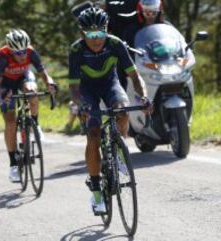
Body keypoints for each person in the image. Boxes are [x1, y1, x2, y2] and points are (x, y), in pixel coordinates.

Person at [68, 7, 151, 214]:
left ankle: (119, 150)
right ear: (82, 33)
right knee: (94, 135)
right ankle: (96, 192)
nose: (97, 39)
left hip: (110, 84)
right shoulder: (76, 50)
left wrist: (144, 97)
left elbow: (134, 76)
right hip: (87, 90)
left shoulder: (115, 44)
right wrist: (81, 105)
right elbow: (74, 87)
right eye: (91, 34)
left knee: (121, 110)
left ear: (107, 30)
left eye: (101, 33)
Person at [0, 29, 57, 183]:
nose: (21, 56)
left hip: (23, 77)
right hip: (6, 84)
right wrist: (2, 93)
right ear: (10, 50)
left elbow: (43, 72)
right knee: (10, 122)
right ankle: (13, 164)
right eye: (17, 53)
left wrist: (50, 83)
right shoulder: (3, 55)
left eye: (23, 52)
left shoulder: (30, 52)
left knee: (32, 91)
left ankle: (35, 123)